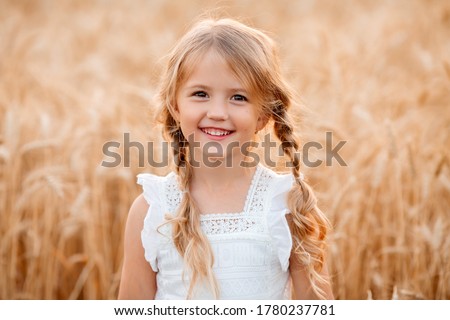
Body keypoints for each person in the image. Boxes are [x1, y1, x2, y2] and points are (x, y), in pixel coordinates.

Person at [118, 17, 334, 300]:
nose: (218, 111)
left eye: (238, 97)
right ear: (175, 106)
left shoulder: (287, 205)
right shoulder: (151, 210)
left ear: (263, 115)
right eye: (200, 94)